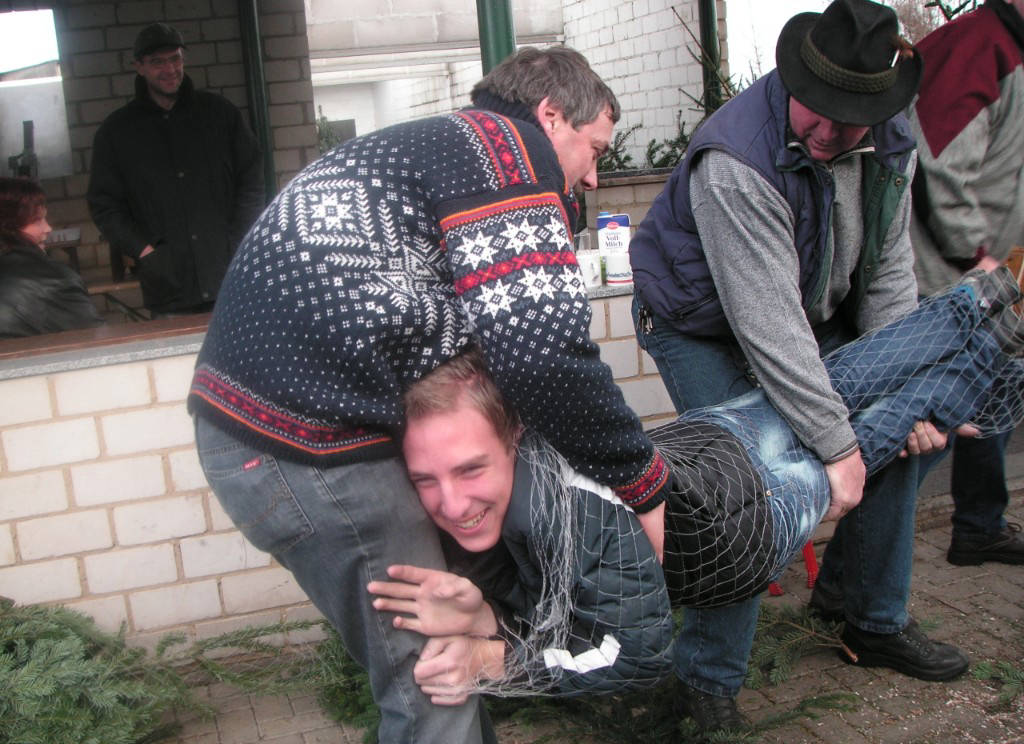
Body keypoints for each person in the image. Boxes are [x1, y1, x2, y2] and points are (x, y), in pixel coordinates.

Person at [188, 46, 670, 744]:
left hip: (261, 438)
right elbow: (544, 353)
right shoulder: (506, 155)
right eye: (594, 149)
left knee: (450, 656)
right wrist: (643, 483)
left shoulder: (434, 152)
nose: (595, 175)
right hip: (303, 450)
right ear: (549, 117)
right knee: (434, 678)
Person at [368, 269, 1024, 704]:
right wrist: (484, 612)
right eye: (426, 478)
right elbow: (542, 585)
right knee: (839, 384)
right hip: (714, 439)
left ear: (507, 437)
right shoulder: (543, 427)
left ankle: (994, 359)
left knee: (877, 434)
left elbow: (634, 653)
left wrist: (492, 659)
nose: (450, 503)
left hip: (747, 516)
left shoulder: (566, 515)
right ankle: (980, 304)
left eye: (469, 470)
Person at [628, 0, 969, 744]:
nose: (824, 131)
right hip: (704, 322)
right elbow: (768, 329)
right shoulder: (735, 160)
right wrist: (835, 443)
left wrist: (898, 386)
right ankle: (705, 684)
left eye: (847, 121)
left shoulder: (893, 144)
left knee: (899, 438)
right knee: (740, 487)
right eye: (816, 112)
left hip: (809, 308)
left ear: (877, 109)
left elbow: (885, 271)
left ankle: (866, 618)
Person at [908, 0, 1024, 567]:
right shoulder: (981, 45)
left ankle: (979, 525)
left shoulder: (1013, 49)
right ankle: (851, 577)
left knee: (995, 398)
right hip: (954, 274)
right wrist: (977, 259)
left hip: (999, 272)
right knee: (929, 428)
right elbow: (938, 166)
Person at [87, 22, 263, 317]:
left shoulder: (220, 114)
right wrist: (145, 252)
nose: (170, 69)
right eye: (158, 62)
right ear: (139, 67)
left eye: (175, 58)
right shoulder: (117, 132)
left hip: (229, 276)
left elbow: (252, 182)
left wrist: (239, 242)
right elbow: (104, 206)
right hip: (169, 286)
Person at [0, 177, 101, 338]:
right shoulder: (52, 282)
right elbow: (98, 345)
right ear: (9, 225)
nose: (48, 228)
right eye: (37, 220)